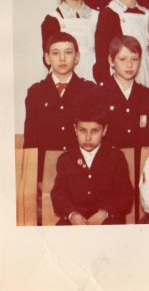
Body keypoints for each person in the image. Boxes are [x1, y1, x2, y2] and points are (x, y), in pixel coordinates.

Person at [50, 96, 133, 225]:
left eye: (94, 131)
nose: (88, 137)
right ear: (75, 129)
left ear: (104, 130)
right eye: (82, 130)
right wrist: (72, 214)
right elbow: (59, 195)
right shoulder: (65, 160)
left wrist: (105, 212)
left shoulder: (116, 158)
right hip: (75, 219)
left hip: (108, 218)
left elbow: (124, 195)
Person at [24, 32, 96, 152]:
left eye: (68, 52)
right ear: (47, 58)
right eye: (55, 53)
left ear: (77, 57)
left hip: (78, 160)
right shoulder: (36, 92)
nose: (62, 58)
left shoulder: (89, 90)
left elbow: (95, 134)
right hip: (46, 161)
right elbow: (30, 138)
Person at [93, 0, 149, 87]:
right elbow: (102, 53)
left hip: (145, 72)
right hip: (119, 78)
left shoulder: (148, 15)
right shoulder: (109, 13)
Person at [41, 0, 98, 82]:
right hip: (64, 79)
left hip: (92, 77)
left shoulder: (97, 16)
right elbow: (50, 56)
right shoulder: (53, 19)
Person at [98, 36, 149, 149]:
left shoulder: (148, 96)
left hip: (140, 158)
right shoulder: (98, 94)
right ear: (111, 61)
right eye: (122, 59)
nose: (129, 65)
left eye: (134, 59)